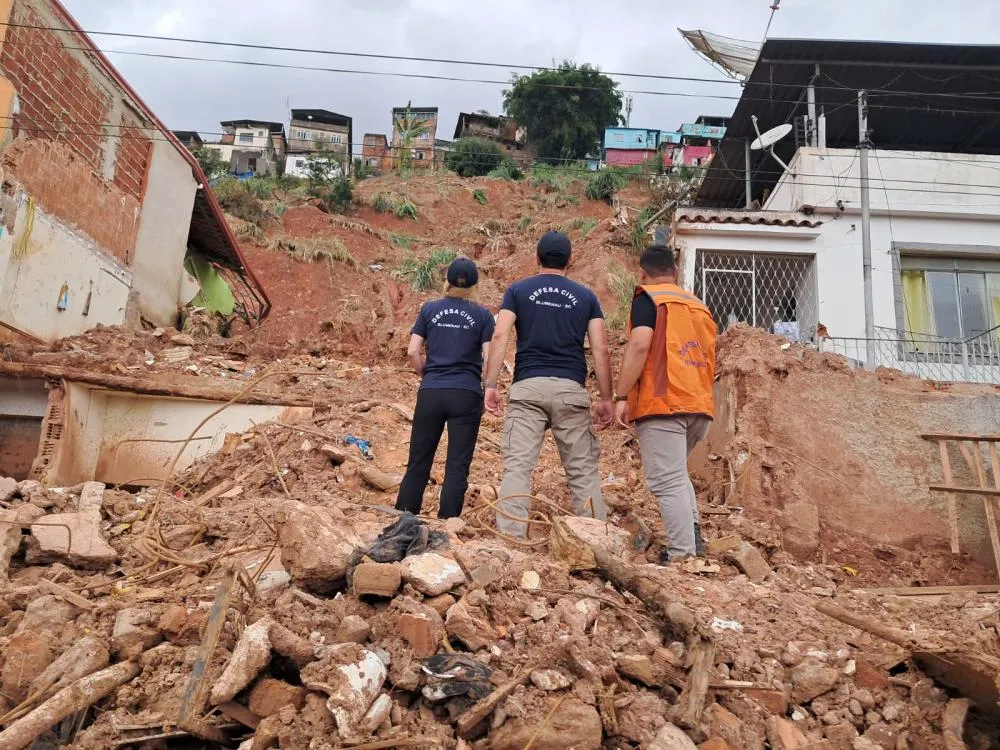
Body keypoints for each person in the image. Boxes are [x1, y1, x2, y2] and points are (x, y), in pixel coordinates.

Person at [483, 231, 614, 538]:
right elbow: (600, 349)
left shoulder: (517, 291)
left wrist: (490, 383)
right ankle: (596, 540)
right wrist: (607, 396)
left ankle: (511, 539)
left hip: (528, 387)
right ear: (571, 260)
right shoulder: (587, 297)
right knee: (583, 472)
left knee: (518, 468)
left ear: (536, 258)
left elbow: (500, 335)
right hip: (571, 390)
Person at [613, 245, 717, 563]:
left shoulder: (650, 299)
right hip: (699, 403)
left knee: (665, 478)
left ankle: (682, 554)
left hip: (663, 402)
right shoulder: (698, 305)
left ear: (642, 272)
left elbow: (640, 344)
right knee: (676, 473)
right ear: (673, 272)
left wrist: (620, 395)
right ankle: (693, 539)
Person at [395, 257, 495, 519]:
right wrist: (487, 387)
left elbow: (413, 350)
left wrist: (426, 373)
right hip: (466, 393)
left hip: (432, 391)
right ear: (475, 284)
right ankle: (448, 523)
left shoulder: (429, 309)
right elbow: (489, 359)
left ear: (447, 281)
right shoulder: (483, 315)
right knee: (457, 465)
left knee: (419, 459)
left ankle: (404, 518)